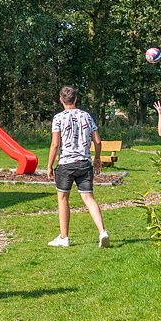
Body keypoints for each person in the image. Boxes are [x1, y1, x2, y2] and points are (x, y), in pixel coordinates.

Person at [46, 85, 109, 248]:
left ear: (61, 100)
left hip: (66, 164)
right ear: (76, 99)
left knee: (63, 199)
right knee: (89, 198)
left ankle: (64, 237)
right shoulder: (86, 116)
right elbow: (98, 141)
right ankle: (102, 231)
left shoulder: (58, 118)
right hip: (84, 163)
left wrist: (49, 165)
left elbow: (55, 144)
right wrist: (97, 158)